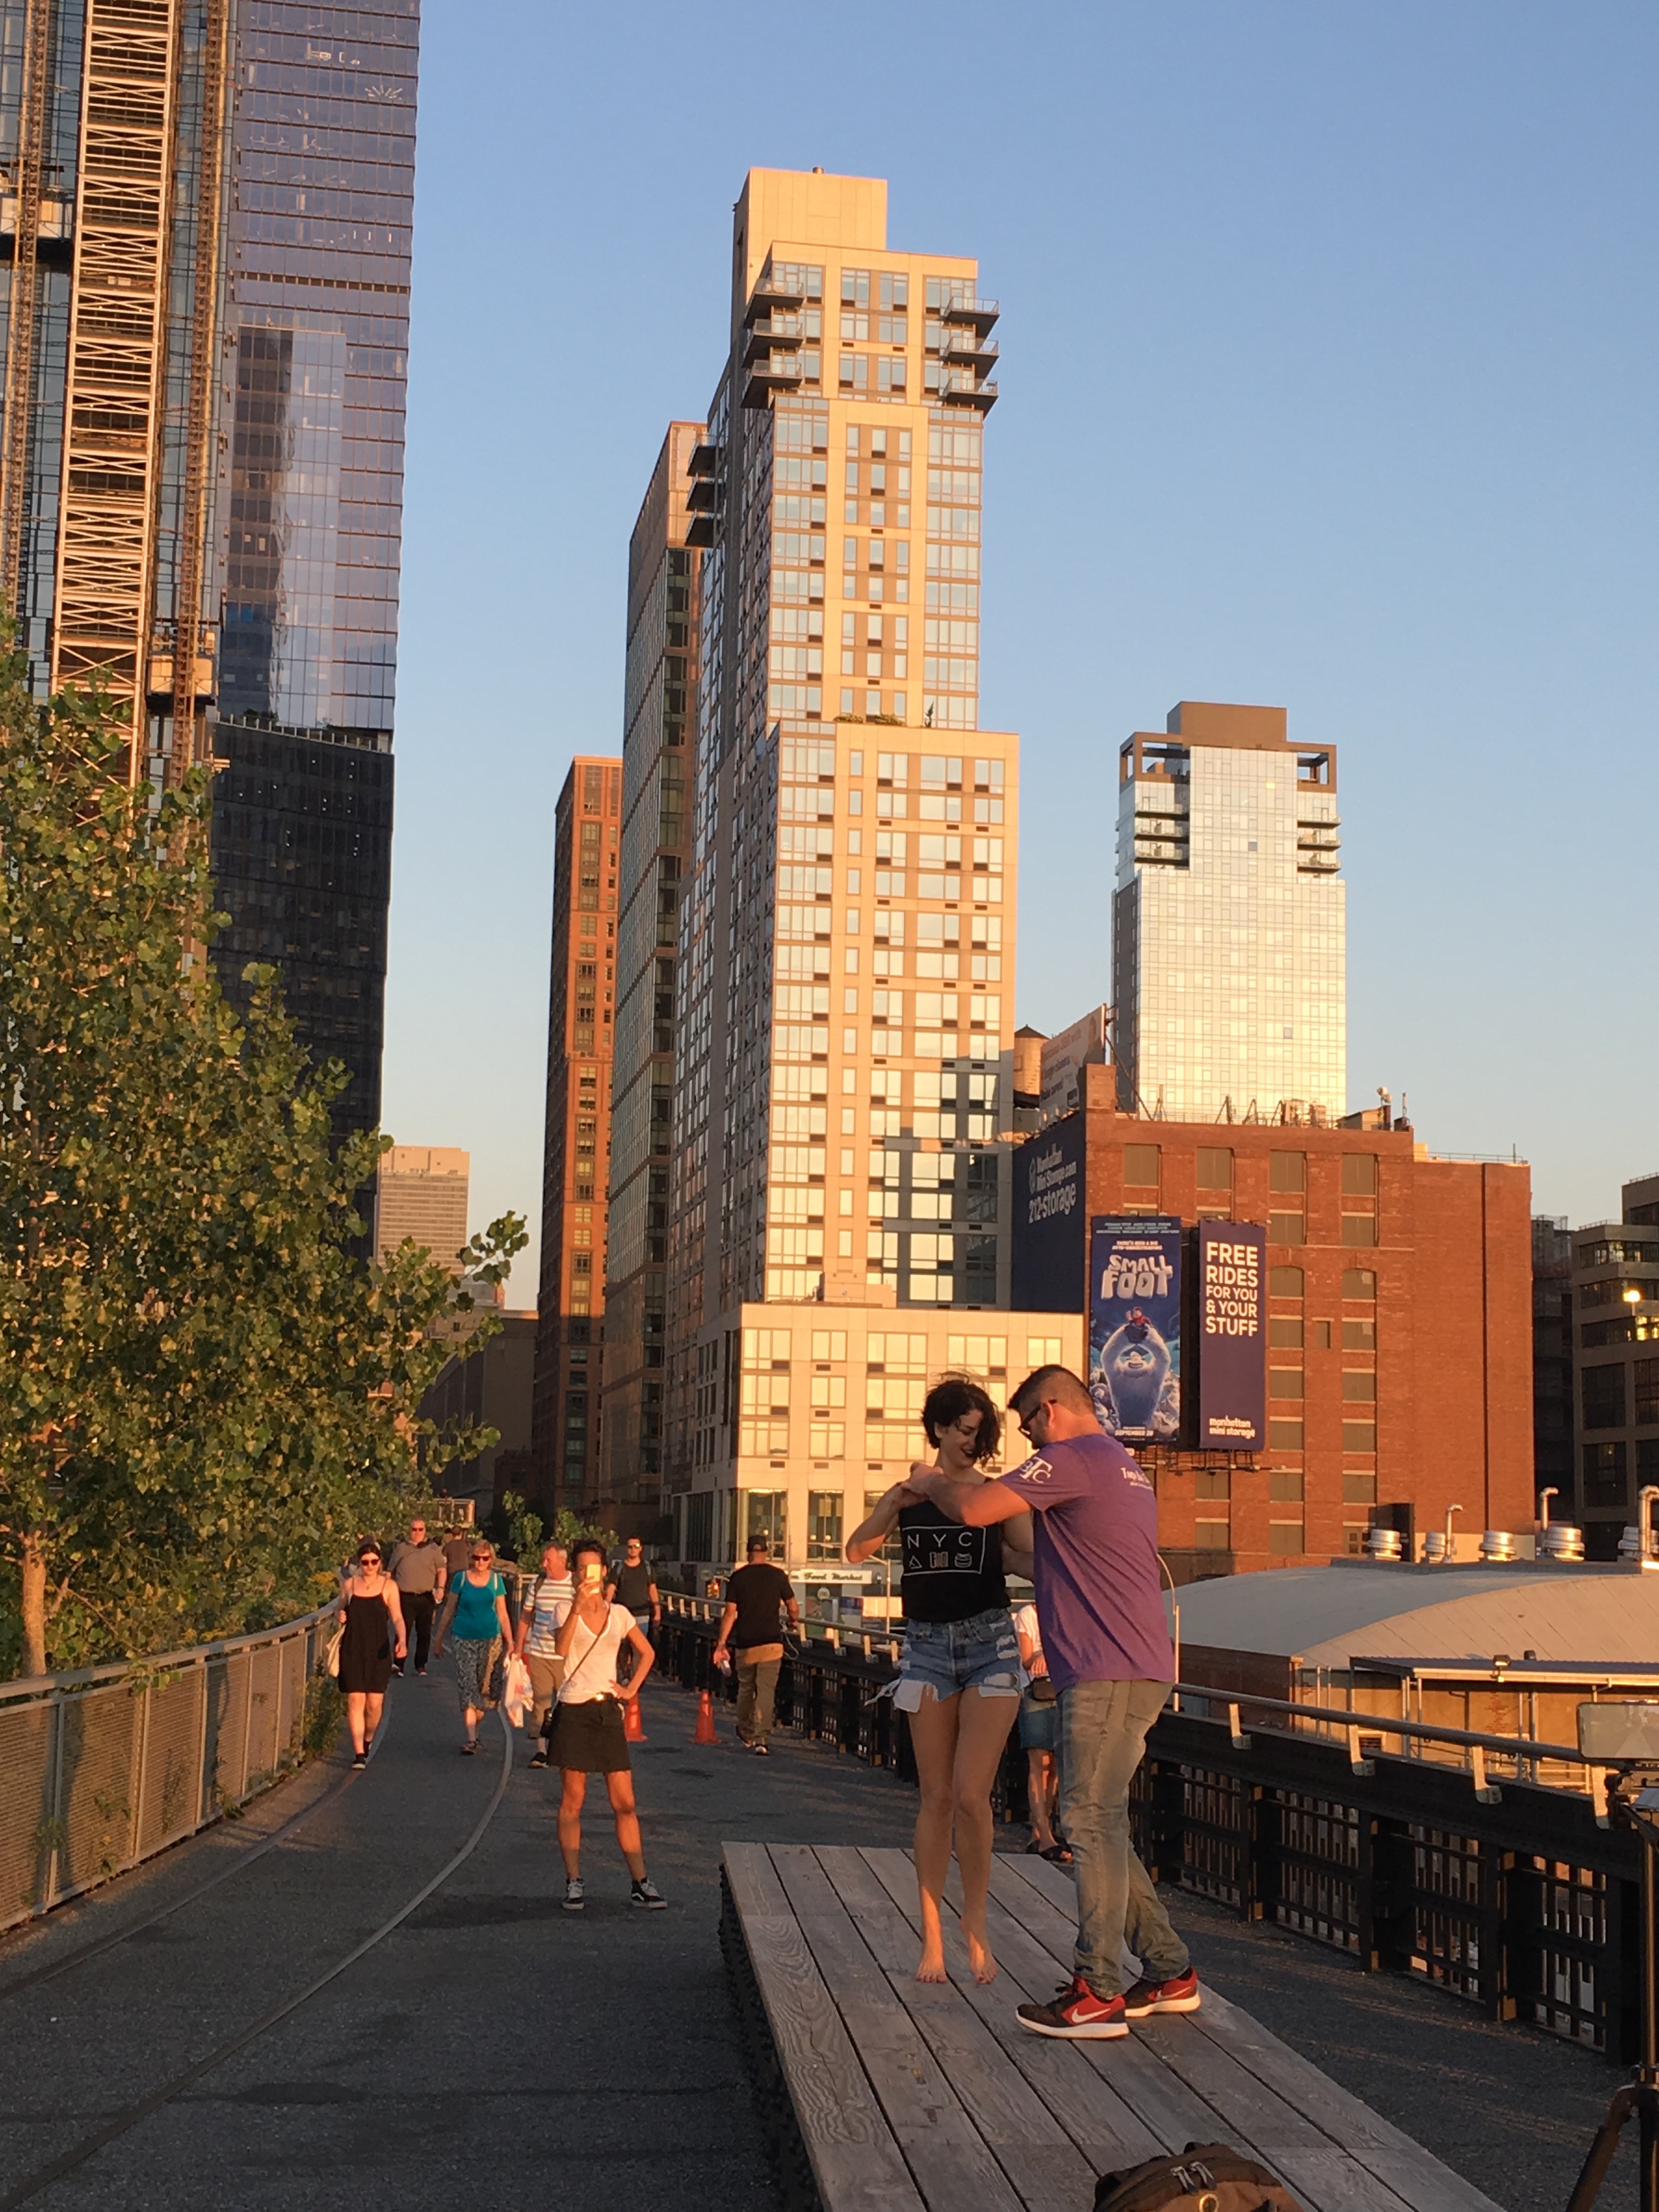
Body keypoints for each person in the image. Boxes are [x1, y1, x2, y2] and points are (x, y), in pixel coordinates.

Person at [907, 1363, 1199, 2040]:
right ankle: (1168, 1968)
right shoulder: (1122, 1466)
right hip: (1136, 1665)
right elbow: (1040, 1557)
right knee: (1104, 1822)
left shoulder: (1072, 1458)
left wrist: (930, 1482)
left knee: (1085, 1821)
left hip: (1105, 1669)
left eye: (1029, 1427)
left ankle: (1097, 1990)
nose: (1029, 1442)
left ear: (1052, 1409)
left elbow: (976, 1509)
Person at [848, 1376, 1031, 1988]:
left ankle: (974, 1919)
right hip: (926, 1648)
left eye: (979, 1432)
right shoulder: (912, 1494)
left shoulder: (994, 1495)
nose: (969, 1441)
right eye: (961, 1429)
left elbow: (1030, 1555)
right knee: (937, 1797)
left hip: (990, 1645)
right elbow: (856, 1551)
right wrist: (892, 1504)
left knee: (973, 1795)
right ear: (939, 1428)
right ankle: (932, 1935)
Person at [548, 1538, 666, 1912]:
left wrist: (630, 1690)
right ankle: (574, 1881)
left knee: (625, 1802)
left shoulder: (620, 1614)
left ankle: (640, 1882)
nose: (588, 1574)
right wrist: (577, 1607)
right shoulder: (563, 1609)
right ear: (574, 1572)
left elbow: (647, 1652)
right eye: (581, 1568)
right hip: (574, 1709)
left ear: (604, 1571)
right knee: (573, 1800)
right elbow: (561, 1649)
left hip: (607, 1710)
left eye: (594, 1568)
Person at [710, 1536, 799, 1755]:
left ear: (748, 1553)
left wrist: (721, 1643)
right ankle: (762, 1739)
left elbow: (730, 1613)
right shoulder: (778, 1576)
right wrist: (793, 1621)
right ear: (767, 1553)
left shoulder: (738, 1578)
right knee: (766, 1691)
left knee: (746, 1688)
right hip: (772, 1643)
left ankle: (747, 1732)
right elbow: (793, 1606)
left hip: (746, 1643)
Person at [432, 1536, 512, 1754]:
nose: (480, 1562)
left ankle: (476, 1731)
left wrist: (511, 1642)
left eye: (484, 1559)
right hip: (463, 1638)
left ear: (490, 1560)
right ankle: (471, 1739)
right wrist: (438, 1638)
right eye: (476, 1558)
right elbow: (449, 1609)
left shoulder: (496, 1582)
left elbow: (503, 1613)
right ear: (471, 1558)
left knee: (483, 1690)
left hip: (491, 1641)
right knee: (468, 1686)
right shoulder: (461, 1579)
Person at [335, 1541, 407, 1769]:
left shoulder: (389, 1586)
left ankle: (367, 1739)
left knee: (374, 1704)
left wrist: (402, 1640)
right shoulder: (350, 1585)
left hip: (379, 1650)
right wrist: (340, 1615)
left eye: (374, 1562)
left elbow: (397, 1617)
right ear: (359, 1563)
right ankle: (358, 1752)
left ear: (380, 1563)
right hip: (353, 1648)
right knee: (355, 1699)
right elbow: (340, 1607)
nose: (369, 1566)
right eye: (365, 1562)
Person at [1014, 1599, 1068, 1861]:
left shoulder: (1067, 1612)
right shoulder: (1027, 1615)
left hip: (1062, 1691)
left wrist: (1047, 1658)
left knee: (1055, 1765)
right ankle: (1045, 1835)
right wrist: (1046, 1656)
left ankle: (1040, 1832)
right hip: (1036, 1692)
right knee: (1039, 1763)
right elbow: (1027, 1660)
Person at [514, 1537, 574, 1766]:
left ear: (562, 1561)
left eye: (548, 1560)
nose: (544, 1565)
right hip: (540, 1652)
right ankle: (541, 1750)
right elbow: (526, 1616)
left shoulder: (574, 1585)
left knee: (567, 1702)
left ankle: (563, 1746)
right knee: (541, 1701)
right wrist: (518, 1648)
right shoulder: (538, 1584)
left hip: (568, 1656)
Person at [387, 1516, 445, 1677]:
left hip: (426, 1597)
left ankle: (421, 1665)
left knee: (424, 1632)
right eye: (414, 1529)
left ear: (425, 1531)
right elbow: (389, 1571)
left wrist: (441, 1588)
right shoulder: (401, 1549)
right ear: (409, 1530)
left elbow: (442, 1569)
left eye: (421, 1529)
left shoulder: (433, 1549)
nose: (418, 1533)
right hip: (405, 1596)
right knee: (402, 1630)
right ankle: (399, 1664)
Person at [611, 1538, 661, 1635]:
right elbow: (611, 1590)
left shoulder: (648, 1568)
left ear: (641, 1548)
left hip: (642, 1617)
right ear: (627, 1549)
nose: (633, 1549)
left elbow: (653, 1590)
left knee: (640, 1644)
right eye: (630, 1547)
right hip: (622, 1616)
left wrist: (657, 1613)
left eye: (636, 1546)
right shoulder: (618, 1568)